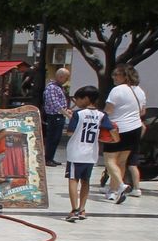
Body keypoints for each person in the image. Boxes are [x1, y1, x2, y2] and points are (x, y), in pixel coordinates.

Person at [64, 86, 113, 222]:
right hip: (91, 153)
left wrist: (70, 117)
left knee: (73, 180)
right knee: (86, 181)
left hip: (76, 152)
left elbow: (70, 132)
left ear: (86, 98)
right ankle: (82, 209)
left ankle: (74, 209)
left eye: (78, 99)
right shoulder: (102, 115)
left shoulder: (78, 114)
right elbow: (111, 130)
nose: (77, 102)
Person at [101, 63, 148, 202]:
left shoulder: (117, 90)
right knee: (121, 162)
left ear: (125, 76)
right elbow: (142, 112)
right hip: (135, 128)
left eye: (117, 74)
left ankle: (121, 185)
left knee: (110, 160)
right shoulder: (140, 91)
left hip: (117, 129)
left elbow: (109, 110)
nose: (114, 77)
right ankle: (113, 191)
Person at [41, 67, 71, 166]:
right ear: (60, 76)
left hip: (59, 115)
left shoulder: (58, 87)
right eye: (66, 78)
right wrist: (66, 114)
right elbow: (54, 103)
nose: (67, 80)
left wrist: (66, 111)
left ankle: (51, 157)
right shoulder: (52, 88)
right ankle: (47, 159)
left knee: (56, 138)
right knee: (52, 138)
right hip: (54, 116)